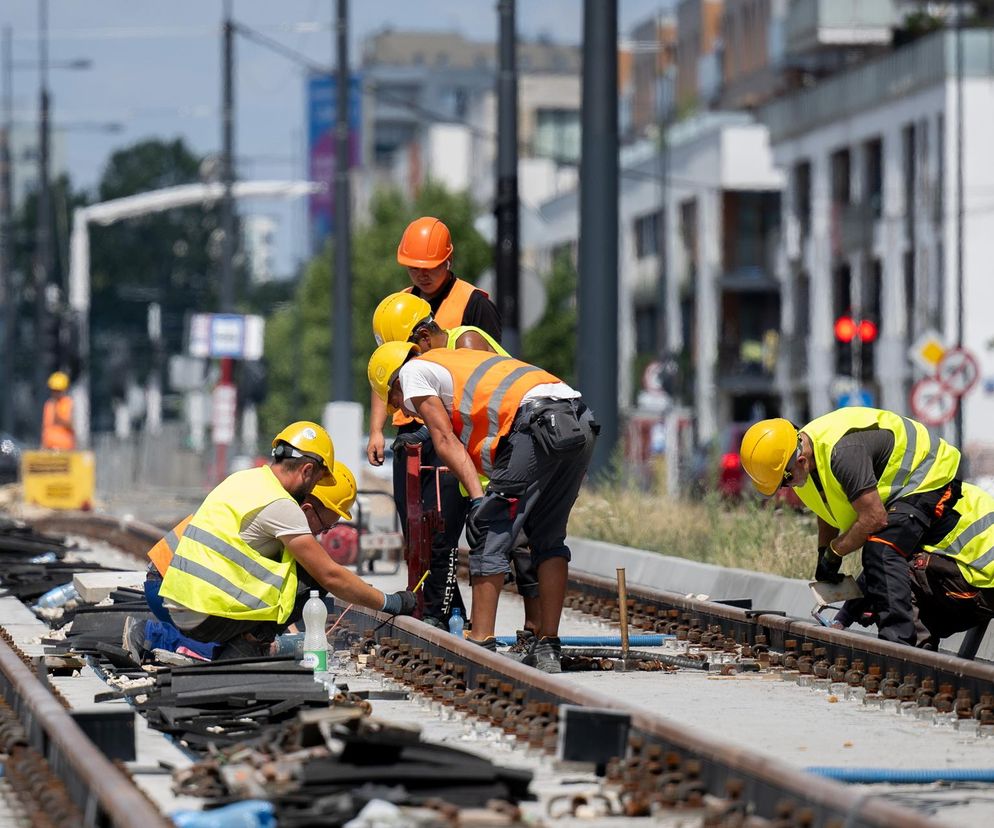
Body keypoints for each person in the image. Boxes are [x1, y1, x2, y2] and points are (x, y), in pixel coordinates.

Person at [368, 341, 598, 673]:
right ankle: (547, 647)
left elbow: (446, 441)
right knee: (547, 538)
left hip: (537, 424)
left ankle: (480, 647)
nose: (406, 409)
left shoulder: (413, 372)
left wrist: (478, 499)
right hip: (577, 419)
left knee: (489, 530)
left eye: (395, 402)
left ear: (393, 383)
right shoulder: (454, 361)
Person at [157, 422, 415, 659]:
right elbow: (331, 576)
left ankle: (242, 646)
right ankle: (241, 653)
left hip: (181, 605)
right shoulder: (280, 504)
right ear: (307, 470)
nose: (312, 490)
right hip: (206, 615)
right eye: (316, 482)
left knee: (294, 563)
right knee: (310, 574)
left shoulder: (243, 479)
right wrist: (389, 602)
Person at [372, 291, 541, 648]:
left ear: (420, 338)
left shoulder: (467, 340)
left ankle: (537, 632)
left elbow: (486, 399)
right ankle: (469, 624)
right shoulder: (434, 359)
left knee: (521, 543)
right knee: (481, 539)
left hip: (510, 444)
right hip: (481, 455)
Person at [366, 217, 502, 629]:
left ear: (448, 259)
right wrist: (377, 428)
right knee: (416, 530)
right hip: (410, 431)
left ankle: (446, 613)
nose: (422, 274)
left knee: (442, 531)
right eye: (413, 267)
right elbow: (383, 371)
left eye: (430, 266)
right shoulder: (399, 305)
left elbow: (489, 371)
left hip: (452, 431)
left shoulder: (474, 302)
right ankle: (437, 609)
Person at [740, 409, 964, 646]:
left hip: (927, 474)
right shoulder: (802, 466)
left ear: (801, 461)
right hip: (896, 490)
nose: (785, 488)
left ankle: (899, 644)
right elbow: (826, 508)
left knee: (882, 549)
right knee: (881, 552)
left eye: (784, 481)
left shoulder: (843, 453)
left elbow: (874, 518)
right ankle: (870, 623)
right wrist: (822, 554)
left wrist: (835, 553)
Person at [135, 460, 361, 663]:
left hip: (168, 577)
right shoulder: (282, 515)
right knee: (220, 646)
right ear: (308, 506)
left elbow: (276, 589)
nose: (320, 533)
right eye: (325, 525)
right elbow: (295, 588)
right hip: (171, 586)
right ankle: (155, 634)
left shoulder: (267, 494)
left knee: (241, 638)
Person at [41, 372, 75, 450]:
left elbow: (71, 424)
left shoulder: (68, 403)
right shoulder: (49, 404)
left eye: (58, 390)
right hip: (49, 448)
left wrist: (58, 417)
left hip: (64, 449)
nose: (55, 393)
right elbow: (46, 427)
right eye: (54, 390)